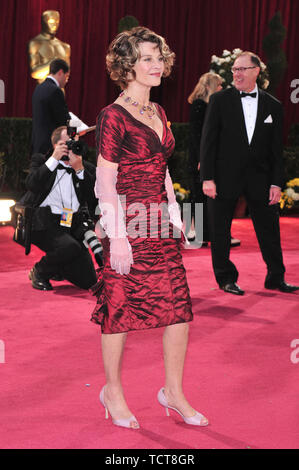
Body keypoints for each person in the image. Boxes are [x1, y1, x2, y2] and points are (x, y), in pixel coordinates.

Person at [91, 26, 209, 429]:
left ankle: (172, 392)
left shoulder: (157, 112)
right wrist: (118, 238)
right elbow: (104, 183)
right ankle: (112, 390)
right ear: (127, 66)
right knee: (120, 310)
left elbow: (162, 173)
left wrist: (179, 220)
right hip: (127, 223)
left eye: (159, 57)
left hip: (159, 222)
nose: (156, 64)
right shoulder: (112, 116)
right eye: (146, 58)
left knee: (178, 310)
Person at [200, 51, 299, 295]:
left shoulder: (273, 106)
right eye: (234, 69)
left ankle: (276, 277)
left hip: (260, 179)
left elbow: (277, 150)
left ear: (257, 71)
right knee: (221, 230)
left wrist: (276, 183)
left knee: (270, 230)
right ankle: (225, 278)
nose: (237, 74)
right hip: (223, 177)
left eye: (243, 69)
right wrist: (208, 178)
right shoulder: (219, 101)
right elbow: (208, 142)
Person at [22, 126, 97, 291]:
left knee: (89, 281)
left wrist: (79, 170)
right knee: (69, 247)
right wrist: (54, 159)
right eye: (66, 143)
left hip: (71, 225)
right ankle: (39, 271)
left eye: (74, 143)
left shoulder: (86, 167)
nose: (71, 146)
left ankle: (58, 266)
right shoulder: (41, 161)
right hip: (43, 223)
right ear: (55, 145)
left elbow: (94, 198)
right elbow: (31, 184)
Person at [187, 72, 241, 248]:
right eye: (218, 85)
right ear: (210, 86)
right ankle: (200, 235)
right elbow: (197, 135)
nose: (221, 88)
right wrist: (202, 158)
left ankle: (210, 235)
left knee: (210, 198)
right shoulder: (199, 105)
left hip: (210, 157)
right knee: (199, 197)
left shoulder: (212, 105)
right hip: (200, 158)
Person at [31, 58, 70, 154]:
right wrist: (76, 129)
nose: (66, 80)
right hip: (50, 146)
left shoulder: (38, 88)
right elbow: (63, 119)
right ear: (60, 72)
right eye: (67, 76)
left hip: (37, 144)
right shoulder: (55, 91)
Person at [28, 10, 71, 83]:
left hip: (60, 91)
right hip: (44, 89)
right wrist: (53, 63)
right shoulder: (35, 43)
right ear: (44, 22)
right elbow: (34, 72)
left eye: (57, 22)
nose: (54, 25)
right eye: (51, 22)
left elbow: (67, 74)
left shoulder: (65, 47)